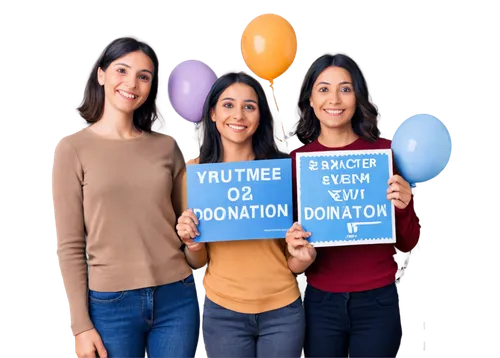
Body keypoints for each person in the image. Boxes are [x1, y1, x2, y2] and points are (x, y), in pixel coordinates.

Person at [50, 34, 201, 358]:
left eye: (143, 76)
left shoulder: (166, 146)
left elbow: (185, 223)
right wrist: (80, 326)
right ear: (101, 75)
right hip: (109, 304)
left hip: (178, 297)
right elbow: (70, 245)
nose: (131, 83)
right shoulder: (72, 150)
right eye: (122, 70)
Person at [285, 50, 423, 358]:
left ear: (357, 96)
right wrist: (291, 242)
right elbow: (284, 249)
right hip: (319, 301)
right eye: (323, 89)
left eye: (345, 88)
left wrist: (403, 206)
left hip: (378, 300)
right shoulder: (295, 163)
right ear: (310, 99)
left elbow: (409, 242)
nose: (334, 99)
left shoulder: (386, 153)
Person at [175, 69, 306, 358]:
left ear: (260, 116)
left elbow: (294, 255)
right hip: (223, 311)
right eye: (228, 104)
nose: (239, 115)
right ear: (212, 113)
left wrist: (304, 256)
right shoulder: (194, 174)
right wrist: (193, 243)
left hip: (283, 309)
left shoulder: (281, 172)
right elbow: (198, 261)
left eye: (249, 106)